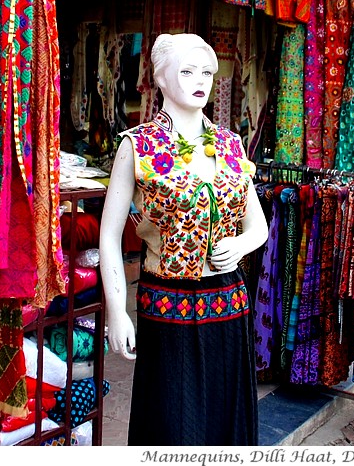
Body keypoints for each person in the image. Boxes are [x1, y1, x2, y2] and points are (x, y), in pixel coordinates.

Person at [98, 33, 269, 446]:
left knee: (224, 420)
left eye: (207, 71)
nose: (201, 80)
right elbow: (108, 236)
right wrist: (116, 311)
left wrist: (241, 246)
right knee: (173, 421)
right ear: (160, 78)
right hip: (167, 304)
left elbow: (258, 227)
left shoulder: (230, 144)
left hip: (229, 304)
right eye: (187, 70)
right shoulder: (137, 146)